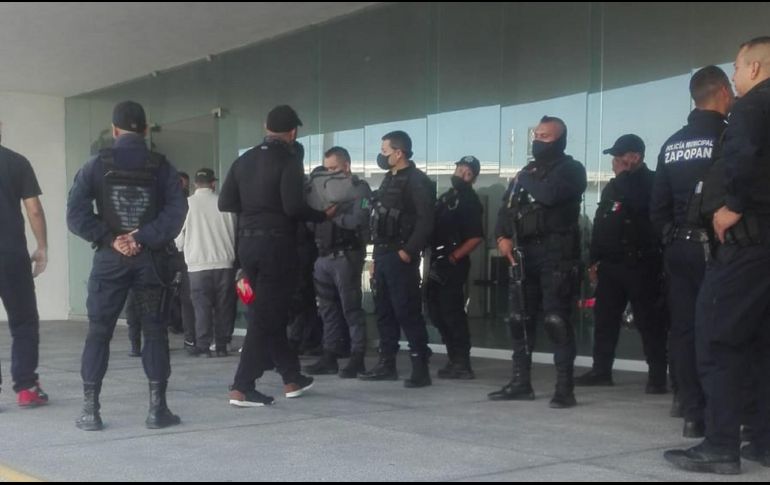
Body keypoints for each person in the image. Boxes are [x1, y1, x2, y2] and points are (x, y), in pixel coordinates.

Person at [665, 37, 770, 475]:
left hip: (746, 246)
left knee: (716, 337)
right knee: (762, 345)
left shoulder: (750, 108)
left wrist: (733, 205)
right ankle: (764, 441)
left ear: (757, 67)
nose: (735, 76)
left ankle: (721, 444)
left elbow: (743, 160)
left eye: (738, 67)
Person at [67, 101, 188, 431]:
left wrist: (111, 238)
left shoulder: (95, 165)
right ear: (146, 130)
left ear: (115, 130)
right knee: (155, 333)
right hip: (151, 261)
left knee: (99, 333)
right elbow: (176, 213)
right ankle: (157, 410)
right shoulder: (162, 166)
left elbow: (75, 216)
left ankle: (91, 413)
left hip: (110, 262)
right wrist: (144, 236)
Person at [219, 105, 333, 407]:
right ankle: (242, 387)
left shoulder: (244, 160)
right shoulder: (289, 160)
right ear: (293, 133)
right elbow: (294, 207)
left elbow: (225, 202)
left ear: (265, 126)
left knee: (268, 312)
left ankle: (291, 377)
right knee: (265, 315)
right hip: (276, 247)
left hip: (247, 246)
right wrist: (322, 215)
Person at [650, 66, 734, 437]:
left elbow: (657, 207)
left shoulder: (671, 144)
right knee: (724, 327)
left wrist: (671, 236)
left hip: (679, 249)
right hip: (719, 249)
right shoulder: (729, 137)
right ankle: (729, 413)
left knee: (682, 329)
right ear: (723, 91)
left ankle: (689, 410)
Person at [488, 116, 586, 409]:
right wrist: (502, 237)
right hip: (523, 253)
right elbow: (506, 209)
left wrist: (524, 177)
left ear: (560, 139)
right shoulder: (526, 172)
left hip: (556, 253)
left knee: (556, 320)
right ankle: (520, 382)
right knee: (518, 319)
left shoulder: (571, 169)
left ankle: (564, 388)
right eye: (537, 135)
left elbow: (550, 195)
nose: (538, 141)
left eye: (545, 137)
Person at [577, 134, 669, 395]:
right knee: (604, 319)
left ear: (635, 157)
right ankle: (601, 370)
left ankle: (657, 377)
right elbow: (601, 223)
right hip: (611, 267)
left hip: (641, 264)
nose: (614, 163)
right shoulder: (612, 187)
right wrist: (593, 260)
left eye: (619, 158)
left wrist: (625, 176)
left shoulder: (651, 182)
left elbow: (640, 204)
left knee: (648, 322)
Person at [359, 130, 436, 388]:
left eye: (385, 152)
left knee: (407, 311)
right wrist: (374, 260)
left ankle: (419, 367)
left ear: (399, 153)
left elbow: (426, 220)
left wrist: (409, 250)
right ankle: (386, 364)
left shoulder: (416, 180)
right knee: (383, 311)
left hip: (400, 255)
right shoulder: (388, 180)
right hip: (382, 254)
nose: (381, 156)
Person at [304, 147, 371, 378]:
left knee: (351, 309)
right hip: (323, 256)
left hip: (346, 256)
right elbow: (311, 223)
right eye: (326, 169)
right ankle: (329, 356)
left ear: (346, 166)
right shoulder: (322, 191)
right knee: (327, 310)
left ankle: (357, 357)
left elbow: (359, 219)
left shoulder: (359, 188)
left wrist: (333, 216)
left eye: (333, 168)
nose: (328, 173)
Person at [0, 130, 49, 407]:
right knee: (24, 322)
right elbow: (34, 209)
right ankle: (27, 388)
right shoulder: (17, 162)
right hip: (11, 256)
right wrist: (42, 247)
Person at [426, 156, 484, 379]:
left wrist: (453, 258)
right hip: (436, 260)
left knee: (451, 312)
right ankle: (453, 358)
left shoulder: (469, 200)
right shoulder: (447, 197)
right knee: (436, 311)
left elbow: (476, 237)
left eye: (467, 173)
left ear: (473, 178)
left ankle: (462, 362)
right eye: (460, 169)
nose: (461, 174)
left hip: (452, 263)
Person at [175, 168, 237, 358]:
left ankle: (203, 346)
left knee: (201, 307)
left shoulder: (187, 205)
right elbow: (235, 230)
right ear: (213, 183)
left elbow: (178, 240)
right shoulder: (225, 203)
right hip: (224, 263)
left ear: (195, 184)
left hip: (198, 266)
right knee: (224, 306)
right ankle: (221, 345)